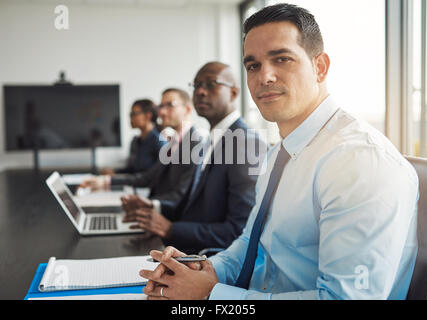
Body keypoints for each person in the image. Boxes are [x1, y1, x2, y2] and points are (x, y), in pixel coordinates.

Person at [140, 3, 419, 300]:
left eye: (282, 59)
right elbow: (251, 243)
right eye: (253, 65)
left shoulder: (358, 162)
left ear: (320, 67)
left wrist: (214, 297)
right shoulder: (280, 153)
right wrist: (204, 269)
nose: (265, 77)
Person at [122, 62, 267, 254]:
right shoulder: (213, 138)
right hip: (184, 250)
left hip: (211, 263)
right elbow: (199, 206)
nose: (200, 91)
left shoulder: (244, 142)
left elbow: (240, 231)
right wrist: (154, 210)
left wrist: (170, 229)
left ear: (233, 93)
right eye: (197, 85)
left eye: (210, 84)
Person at [80, 88, 200, 217]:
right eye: (161, 106)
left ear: (187, 109)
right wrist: (105, 181)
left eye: (170, 105)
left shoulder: (194, 143)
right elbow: (149, 177)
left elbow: (182, 194)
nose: (162, 112)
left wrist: (148, 204)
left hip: (171, 217)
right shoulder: (173, 142)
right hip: (156, 210)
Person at [101, 99, 166, 175]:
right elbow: (132, 170)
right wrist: (114, 172)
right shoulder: (135, 141)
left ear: (148, 115)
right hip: (136, 185)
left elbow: (158, 175)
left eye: (133, 114)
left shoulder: (159, 141)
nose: (130, 118)